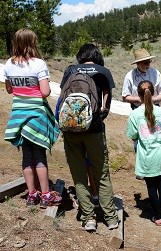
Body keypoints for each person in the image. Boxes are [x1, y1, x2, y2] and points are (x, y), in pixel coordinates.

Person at [57, 43, 119, 231]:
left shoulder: (70, 70)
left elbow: (62, 97)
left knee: (79, 175)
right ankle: (110, 218)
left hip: (70, 130)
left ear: (80, 56)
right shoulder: (103, 72)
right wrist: (97, 118)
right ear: (96, 55)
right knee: (101, 173)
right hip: (94, 130)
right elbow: (106, 105)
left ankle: (88, 217)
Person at [3, 28, 61, 208]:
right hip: (36, 115)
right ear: (32, 43)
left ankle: (31, 195)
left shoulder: (8, 64)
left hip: (18, 115)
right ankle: (45, 195)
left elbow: (9, 89)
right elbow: (45, 92)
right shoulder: (38, 64)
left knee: (27, 156)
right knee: (40, 156)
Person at [127, 80, 161, 226]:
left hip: (146, 156)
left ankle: (157, 216)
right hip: (160, 155)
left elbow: (133, 135)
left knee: (151, 187)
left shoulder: (134, 114)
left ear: (138, 96)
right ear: (153, 94)